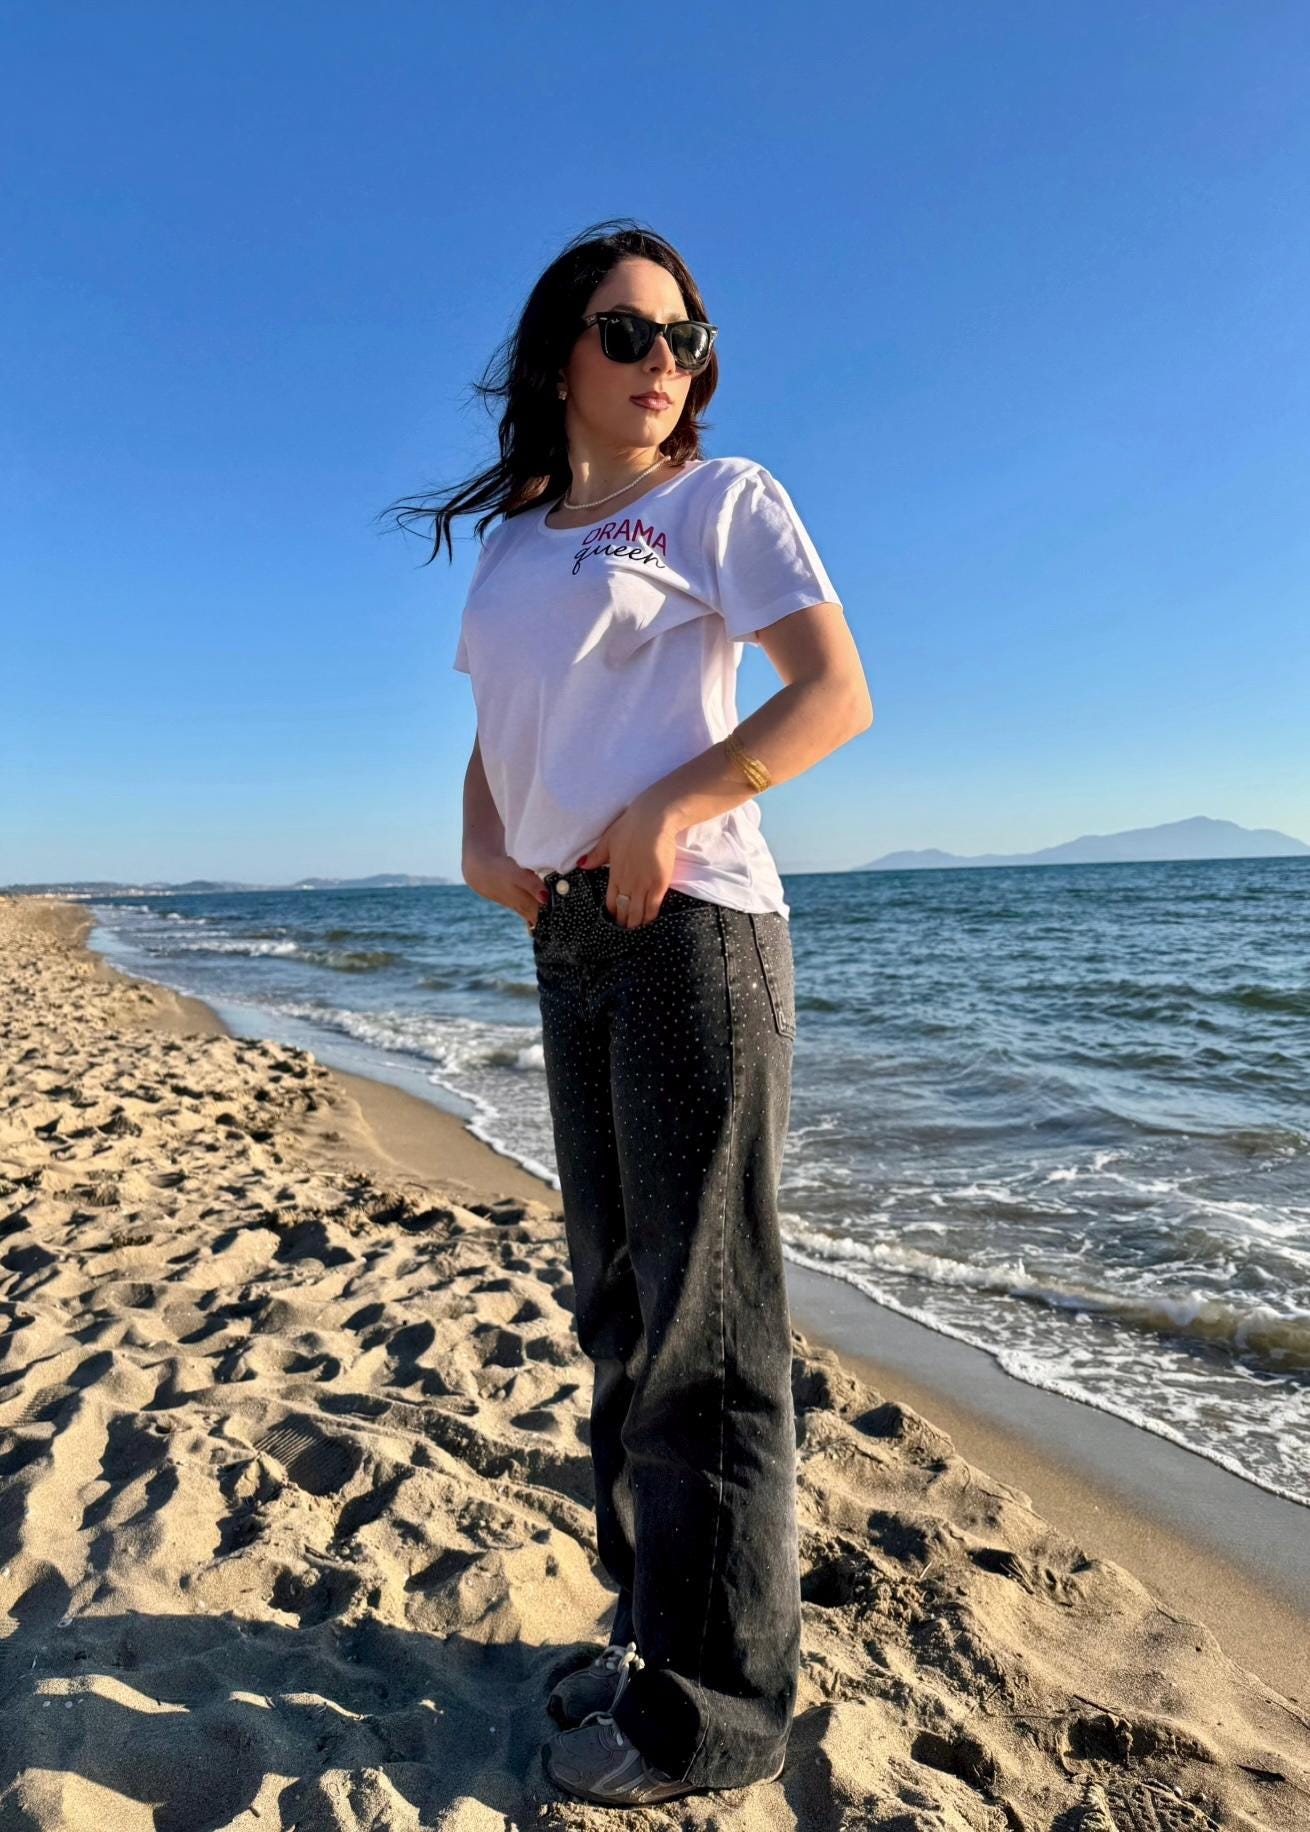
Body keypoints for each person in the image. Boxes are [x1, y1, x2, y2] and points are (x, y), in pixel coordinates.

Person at [385, 218, 874, 1807]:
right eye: (626, 332)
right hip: (569, 937)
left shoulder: (721, 502)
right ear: (558, 360)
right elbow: (503, 724)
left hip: (693, 926)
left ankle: (714, 1714)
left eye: (683, 336)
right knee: (614, 1304)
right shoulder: (517, 544)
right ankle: (654, 1632)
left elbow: (832, 694)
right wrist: (481, 840)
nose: (663, 361)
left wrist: (667, 810)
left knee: (703, 1327)